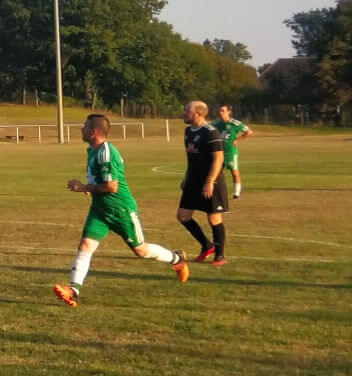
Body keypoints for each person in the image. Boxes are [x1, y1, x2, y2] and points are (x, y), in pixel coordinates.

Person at [53, 113, 189, 307]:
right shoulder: (92, 150)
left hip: (121, 210)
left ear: (94, 131)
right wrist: (89, 188)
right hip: (100, 210)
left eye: (84, 126)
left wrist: (84, 188)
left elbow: (112, 187)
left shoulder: (106, 152)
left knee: (141, 251)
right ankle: (73, 291)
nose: (81, 129)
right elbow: (99, 182)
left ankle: (177, 259)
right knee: (85, 246)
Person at [176, 100, 229, 266]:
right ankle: (207, 245)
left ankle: (220, 256)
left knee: (213, 218)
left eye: (188, 110)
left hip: (211, 182)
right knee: (183, 216)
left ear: (199, 114)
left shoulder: (210, 132)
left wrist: (209, 182)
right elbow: (191, 159)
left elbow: (218, 159)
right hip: (193, 181)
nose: (185, 112)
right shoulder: (188, 131)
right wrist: (186, 178)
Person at [212, 105, 253, 199]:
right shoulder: (216, 123)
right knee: (217, 172)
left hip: (230, 152)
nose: (220, 113)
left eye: (223, 111)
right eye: (219, 111)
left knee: (234, 172)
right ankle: (217, 192)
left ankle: (236, 193)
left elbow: (249, 132)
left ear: (228, 112)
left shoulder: (235, 123)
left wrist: (237, 139)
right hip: (219, 152)